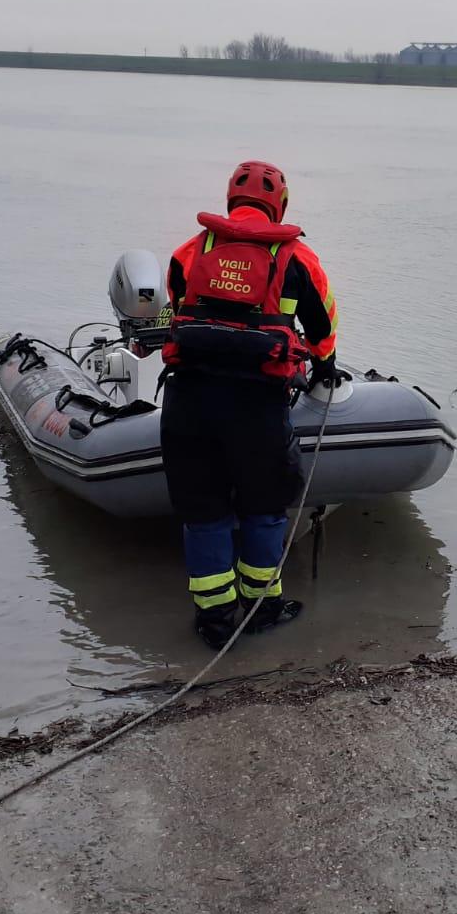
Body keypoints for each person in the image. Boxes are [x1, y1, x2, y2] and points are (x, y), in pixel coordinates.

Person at [161, 160, 340, 649]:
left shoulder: (188, 251)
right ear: (279, 204)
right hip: (256, 403)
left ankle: (214, 622)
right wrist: (324, 366)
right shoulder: (297, 257)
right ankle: (262, 610)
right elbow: (322, 325)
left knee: (204, 511)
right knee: (262, 508)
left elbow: (174, 307)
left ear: (230, 202)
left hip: (188, 399)